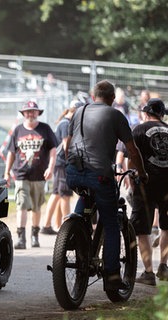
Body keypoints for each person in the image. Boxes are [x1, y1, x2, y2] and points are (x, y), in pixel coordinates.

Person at [63, 80, 149, 291]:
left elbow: (68, 144)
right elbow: (132, 149)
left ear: (93, 96)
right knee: (111, 223)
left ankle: (75, 234)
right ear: (112, 99)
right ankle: (111, 276)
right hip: (100, 175)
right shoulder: (116, 115)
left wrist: (71, 166)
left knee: (85, 196)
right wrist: (142, 173)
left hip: (73, 172)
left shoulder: (78, 112)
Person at [4, 101, 58, 249]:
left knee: (36, 207)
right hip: (21, 175)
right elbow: (11, 153)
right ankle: (21, 238)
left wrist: (51, 168)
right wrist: (7, 172)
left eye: (33, 111)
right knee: (21, 204)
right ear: (23, 114)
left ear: (38, 113)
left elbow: (53, 150)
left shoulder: (45, 129)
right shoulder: (18, 130)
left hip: (39, 175)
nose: (30, 114)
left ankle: (35, 235)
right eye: (27, 112)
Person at [129, 98, 168, 285]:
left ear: (146, 113)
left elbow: (133, 156)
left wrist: (131, 180)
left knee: (142, 229)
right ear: (162, 114)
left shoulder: (138, 129)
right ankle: (164, 266)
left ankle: (148, 272)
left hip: (146, 183)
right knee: (166, 226)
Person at [41, 101, 81, 235]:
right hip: (62, 163)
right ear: (74, 111)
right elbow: (66, 146)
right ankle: (67, 227)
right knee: (65, 195)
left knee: (57, 194)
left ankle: (48, 225)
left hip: (60, 163)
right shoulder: (66, 124)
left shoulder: (65, 122)